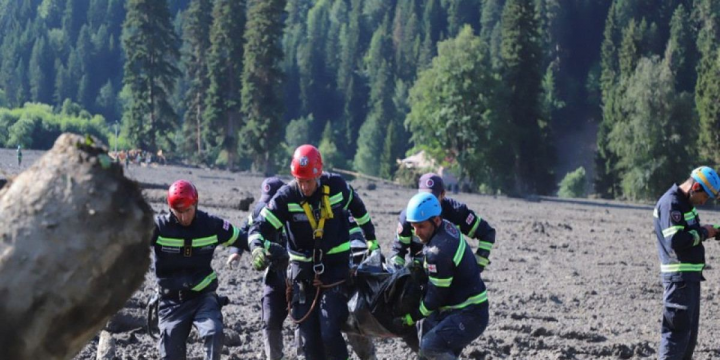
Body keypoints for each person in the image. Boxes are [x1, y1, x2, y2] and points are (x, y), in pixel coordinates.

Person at [248, 144, 380, 360]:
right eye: (300, 181)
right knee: (308, 342)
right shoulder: (286, 197)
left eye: (309, 181)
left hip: (336, 273)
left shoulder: (337, 186)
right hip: (302, 277)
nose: (305, 187)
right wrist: (256, 248)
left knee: (329, 330)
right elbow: (258, 228)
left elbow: (359, 209)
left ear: (318, 175)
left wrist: (372, 239)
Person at [151, 180, 243, 360]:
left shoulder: (211, 225)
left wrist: (252, 250)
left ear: (196, 204)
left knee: (214, 332)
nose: (184, 217)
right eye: (178, 212)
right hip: (171, 301)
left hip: (202, 297)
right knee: (170, 354)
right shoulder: (159, 228)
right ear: (171, 209)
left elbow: (241, 237)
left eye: (188, 211)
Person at [395, 192, 489, 360]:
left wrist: (411, 317)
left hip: (470, 313)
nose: (416, 232)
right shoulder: (446, 227)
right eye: (413, 226)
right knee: (425, 352)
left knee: (430, 346)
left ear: (436, 220)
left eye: (421, 226)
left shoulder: (437, 252)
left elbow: (435, 296)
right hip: (456, 308)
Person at [654, 166, 720, 359]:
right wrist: (704, 233)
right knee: (676, 338)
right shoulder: (671, 203)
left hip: (689, 279)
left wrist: (713, 230)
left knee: (688, 339)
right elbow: (675, 240)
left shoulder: (686, 204)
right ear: (696, 186)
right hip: (679, 281)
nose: (704, 201)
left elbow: (690, 232)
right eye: (705, 196)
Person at [229, 177, 289, 360]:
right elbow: (244, 230)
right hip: (275, 273)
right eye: (266, 199)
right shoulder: (258, 211)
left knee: (304, 323)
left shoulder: (293, 212)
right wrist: (236, 251)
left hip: (299, 274)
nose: (267, 204)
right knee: (270, 318)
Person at [389, 173, 496, 273]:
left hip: (452, 275)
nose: (427, 202)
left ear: (443, 194)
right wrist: (396, 271)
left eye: (432, 198)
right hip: (420, 272)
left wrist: (477, 266)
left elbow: (487, 233)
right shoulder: (408, 217)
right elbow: (398, 250)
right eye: (423, 197)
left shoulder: (457, 212)